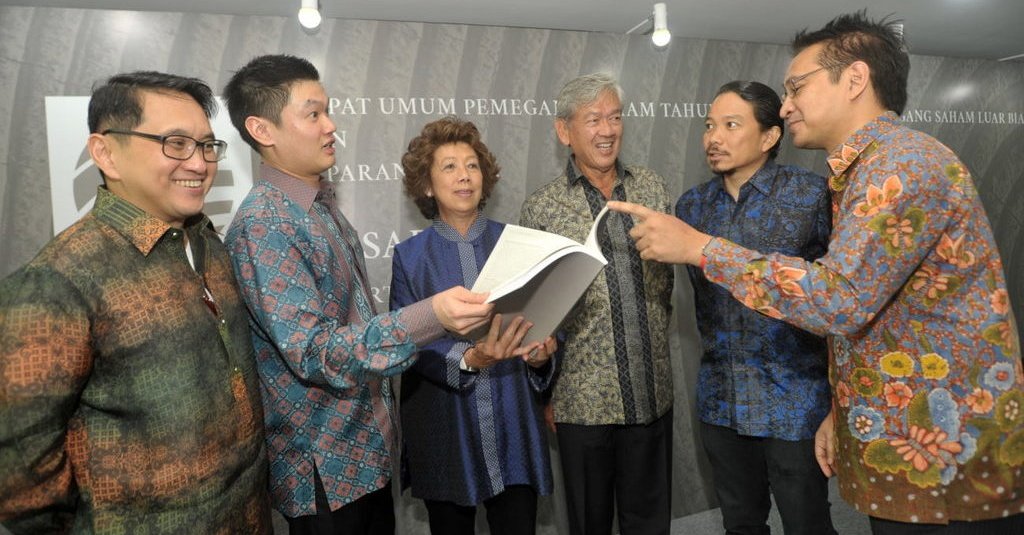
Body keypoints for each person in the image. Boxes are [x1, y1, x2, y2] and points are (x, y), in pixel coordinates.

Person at [609, 11, 1024, 534]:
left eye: (796, 87)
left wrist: (702, 249)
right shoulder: (864, 170)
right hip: (903, 436)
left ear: (854, 79)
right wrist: (843, 406)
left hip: (947, 454)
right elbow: (867, 311)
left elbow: (838, 299)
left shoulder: (900, 166)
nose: (786, 105)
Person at [221, 55, 503, 535]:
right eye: (313, 114)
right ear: (262, 130)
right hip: (325, 468)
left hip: (365, 455)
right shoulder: (266, 223)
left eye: (328, 111)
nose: (330, 125)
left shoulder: (320, 208)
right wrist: (431, 315)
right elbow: (315, 351)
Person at [0, 71, 271, 533]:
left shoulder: (210, 245)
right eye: (175, 143)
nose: (199, 163)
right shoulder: (59, 280)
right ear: (106, 153)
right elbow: (19, 471)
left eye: (206, 145)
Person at [677, 80, 836, 535]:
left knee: (808, 524)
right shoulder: (691, 209)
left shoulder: (811, 196)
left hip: (794, 402)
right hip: (722, 402)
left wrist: (837, 401)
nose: (713, 138)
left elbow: (839, 303)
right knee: (741, 524)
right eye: (709, 125)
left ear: (769, 136)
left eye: (730, 125)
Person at [519, 72, 674, 535]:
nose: (607, 130)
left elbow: (665, 288)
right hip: (582, 401)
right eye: (593, 119)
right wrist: (547, 393)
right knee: (590, 522)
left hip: (650, 390)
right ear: (564, 131)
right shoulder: (542, 208)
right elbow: (537, 314)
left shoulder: (652, 190)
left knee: (649, 523)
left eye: (615, 117)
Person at [390, 117, 558, 535]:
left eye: (472, 165)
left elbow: (544, 320)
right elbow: (405, 344)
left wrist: (541, 355)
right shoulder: (410, 257)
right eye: (449, 167)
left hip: (513, 415)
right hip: (445, 426)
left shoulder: (518, 244)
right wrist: (468, 357)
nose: (464, 176)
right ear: (427, 186)